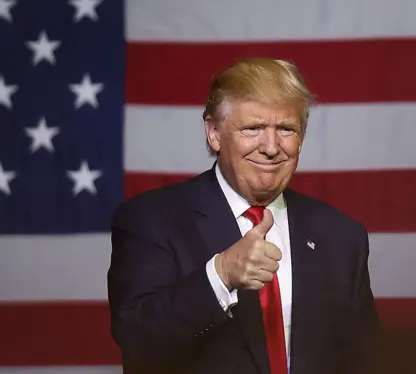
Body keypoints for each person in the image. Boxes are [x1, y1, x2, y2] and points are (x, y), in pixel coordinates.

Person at [107, 57, 380, 374]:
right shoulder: (151, 220)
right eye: (253, 128)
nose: (271, 146)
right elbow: (139, 341)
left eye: (286, 129)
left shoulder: (342, 236)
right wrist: (220, 276)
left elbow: (364, 359)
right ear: (214, 133)